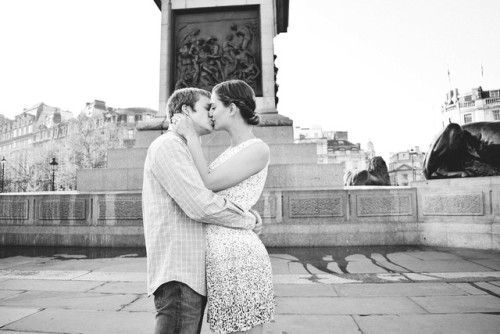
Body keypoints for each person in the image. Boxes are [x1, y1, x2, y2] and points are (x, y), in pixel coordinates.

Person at [142, 87, 263, 334]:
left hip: (189, 274)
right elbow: (200, 205)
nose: (211, 113)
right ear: (186, 110)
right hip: (179, 273)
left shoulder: (182, 148)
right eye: (207, 107)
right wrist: (247, 217)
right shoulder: (169, 146)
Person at [172, 80, 275, 334]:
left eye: (214, 106)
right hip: (222, 257)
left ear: (231, 109)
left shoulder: (258, 148)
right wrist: (248, 212)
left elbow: (207, 182)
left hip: (239, 257)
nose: (210, 113)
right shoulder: (231, 150)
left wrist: (192, 135)